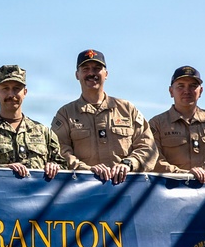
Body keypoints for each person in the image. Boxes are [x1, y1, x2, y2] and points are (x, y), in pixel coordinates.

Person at [51, 49, 155, 185]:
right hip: (83, 192)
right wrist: (86, 170)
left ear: (106, 74)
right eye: (85, 69)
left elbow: (148, 148)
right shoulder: (65, 114)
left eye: (97, 68)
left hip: (125, 190)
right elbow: (59, 151)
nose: (91, 73)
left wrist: (128, 164)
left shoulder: (127, 109)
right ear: (77, 75)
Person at [0, 65, 64, 179]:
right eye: (5, 89)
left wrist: (55, 167)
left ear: (25, 92)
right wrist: (5, 169)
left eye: (16, 88)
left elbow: (64, 170)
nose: (11, 95)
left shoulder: (44, 133)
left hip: (38, 196)